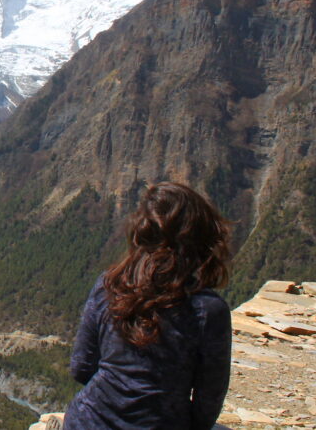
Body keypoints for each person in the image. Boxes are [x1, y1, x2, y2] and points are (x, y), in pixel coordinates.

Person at [63, 182, 233, 429]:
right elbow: (208, 401)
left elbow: (81, 368)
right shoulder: (207, 310)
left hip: (87, 421)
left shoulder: (108, 285)